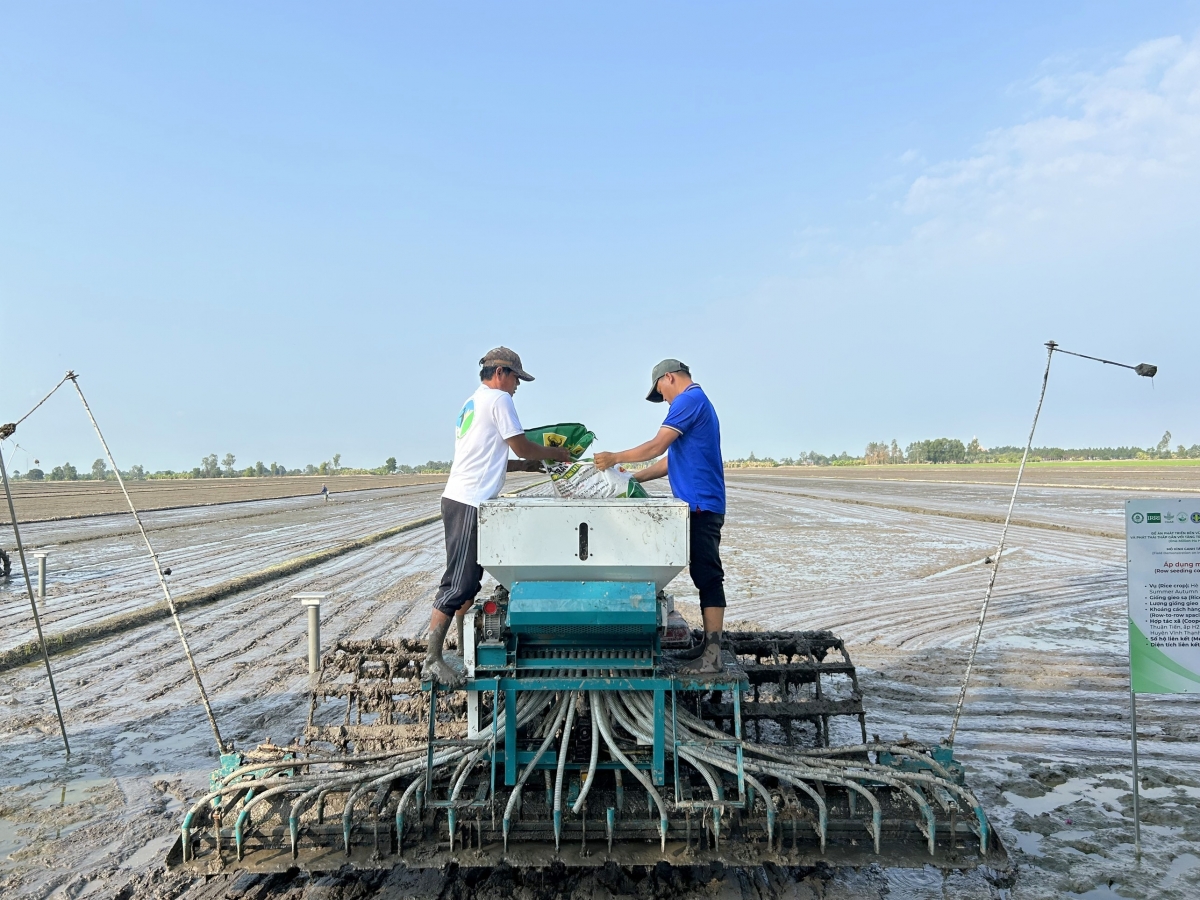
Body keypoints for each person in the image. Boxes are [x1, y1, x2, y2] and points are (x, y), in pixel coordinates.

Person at [423, 347, 573, 687]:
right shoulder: (499, 400)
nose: (517, 386)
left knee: (469, 582)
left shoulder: (473, 402)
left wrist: (528, 465)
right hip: (469, 501)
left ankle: (462, 649)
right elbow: (520, 445)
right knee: (457, 583)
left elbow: (492, 457)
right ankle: (431, 659)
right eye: (517, 378)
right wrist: (554, 454)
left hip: (460, 499)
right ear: (501, 373)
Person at [594, 359, 727, 674]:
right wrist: (632, 479)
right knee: (701, 573)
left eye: (661, 392)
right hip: (698, 503)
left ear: (669, 378)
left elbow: (656, 446)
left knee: (708, 575)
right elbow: (670, 461)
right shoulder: (696, 403)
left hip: (701, 504)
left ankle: (713, 655)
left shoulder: (688, 400)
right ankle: (707, 646)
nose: (664, 399)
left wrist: (614, 457)